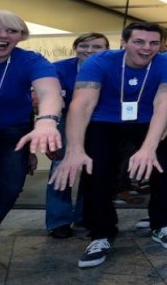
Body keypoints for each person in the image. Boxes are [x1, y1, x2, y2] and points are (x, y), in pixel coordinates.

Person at [50, 22, 167, 269]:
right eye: (139, 42)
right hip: (104, 121)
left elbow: (163, 105)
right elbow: (83, 104)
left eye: (154, 43)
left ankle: (162, 224)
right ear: (124, 42)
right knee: (97, 173)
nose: (146, 48)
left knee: (162, 168)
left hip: (147, 120)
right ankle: (101, 233)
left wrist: (148, 149)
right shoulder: (99, 62)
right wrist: (75, 149)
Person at [0, 9, 63, 279]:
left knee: (6, 190)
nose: (3, 36)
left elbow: (49, 91)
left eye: (12, 30)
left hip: (8, 129)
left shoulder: (29, 60)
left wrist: (46, 121)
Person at [46, 32, 109, 239]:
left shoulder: (112, 67)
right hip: (67, 120)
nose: (89, 50)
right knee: (62, 166)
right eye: (84, 45)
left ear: (106, 50)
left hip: (101, 120)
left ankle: (86, 215)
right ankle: (59, 221)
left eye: (97, 47)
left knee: (94, 168)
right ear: (75, 48)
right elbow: (51, 100)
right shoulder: (58, 69)